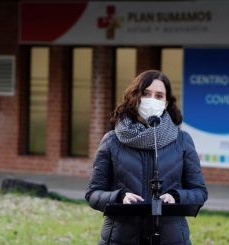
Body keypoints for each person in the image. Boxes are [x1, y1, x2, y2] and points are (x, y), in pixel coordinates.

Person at [85, 70, 208, 244]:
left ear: (166, 103)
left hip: (170, 238)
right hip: (121, 238)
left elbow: (199, 192)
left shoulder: (182, 141)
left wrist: (176, 196)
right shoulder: (112, 140)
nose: (152, 100)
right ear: (135, 97)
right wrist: (119, 198)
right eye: (146, 94)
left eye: (159, 96)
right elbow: (93, 193)